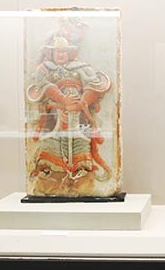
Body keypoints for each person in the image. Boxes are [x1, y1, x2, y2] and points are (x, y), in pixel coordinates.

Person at [26, 35, 112, 197]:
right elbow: (43, 85)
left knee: (81, 146)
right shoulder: (44, 69)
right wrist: (62, 99)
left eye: (64, 51)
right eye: (57, 51)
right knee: (50, 146)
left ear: (70, 53)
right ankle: (50, 180)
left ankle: (82, 183)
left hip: (79, 114)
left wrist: (81, 103)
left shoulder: (81, 67)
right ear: (51, 53)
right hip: (54, 115)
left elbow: (95, 84)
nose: (61, 54)